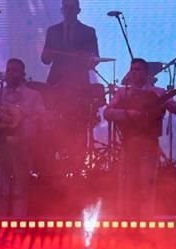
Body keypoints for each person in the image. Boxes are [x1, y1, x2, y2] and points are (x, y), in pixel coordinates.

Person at [104, 58, 176, 217]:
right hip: (128, 144)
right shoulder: (123, 92)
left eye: (138, 70)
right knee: (127, 185)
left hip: (149, 145)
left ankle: (145, 221)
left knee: (147, 183)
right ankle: (125, 220)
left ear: (146, 73)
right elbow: (108, 112)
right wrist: (128, 114)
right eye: (132, 69)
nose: (135, 73)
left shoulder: (158, 93)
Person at [0, 58, 45, 217]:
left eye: (15, 70)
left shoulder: (33, 95)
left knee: (21, 187)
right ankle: (0, 224)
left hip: (23, 144)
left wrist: (21, 115)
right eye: (8, 70)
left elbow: (41, 114)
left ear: (23, 74)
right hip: (2, 145)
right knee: (2, 187)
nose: (11, 73)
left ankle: (18, 226)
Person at [40, 0, 100, 173]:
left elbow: (95, 60)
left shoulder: (88, 32)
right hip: (56, 86)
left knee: (78, 127)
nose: (68, 11)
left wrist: (85, 57)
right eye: (65, 8)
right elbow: (45, 60)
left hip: (79, 88)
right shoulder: (53, 31)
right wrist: (47, 54)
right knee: (53, 126)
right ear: (61, 10)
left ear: (78, 10)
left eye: (71, 7)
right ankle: (53, 169)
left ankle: (77, 168)